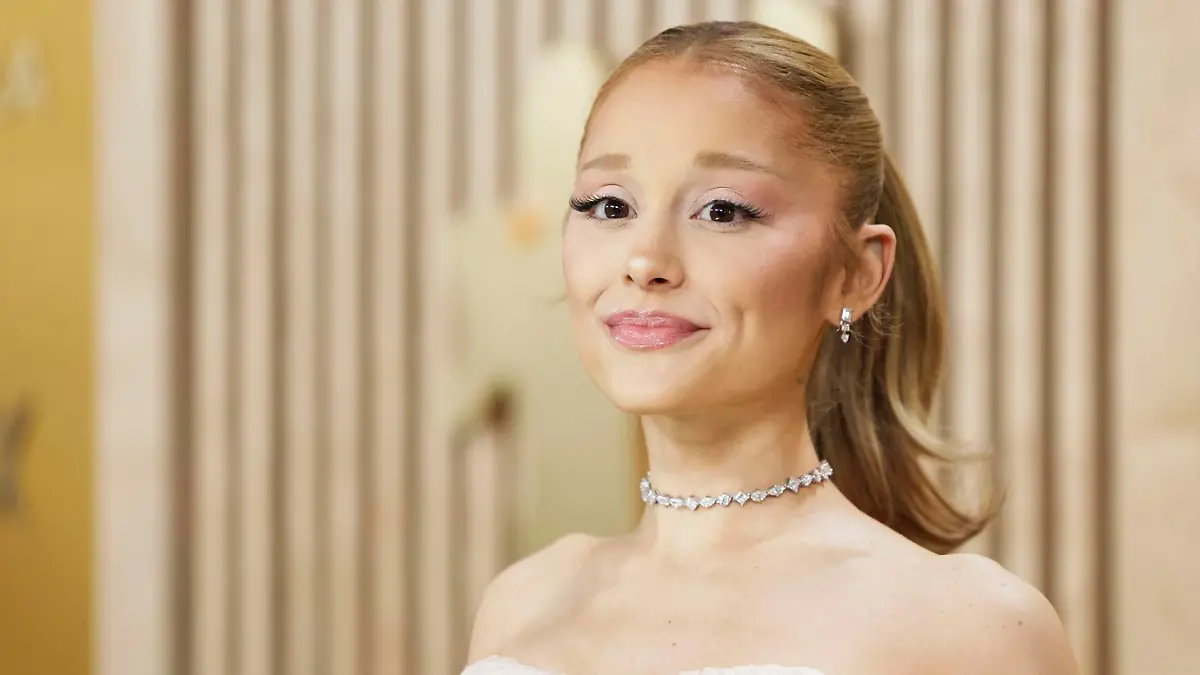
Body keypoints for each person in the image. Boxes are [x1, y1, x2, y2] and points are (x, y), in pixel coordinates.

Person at [462, 21, 1079, 675]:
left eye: (722, 211)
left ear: (857, 274)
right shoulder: (520, 602)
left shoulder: (974, 627)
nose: (645, 261)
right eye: (609, 206)